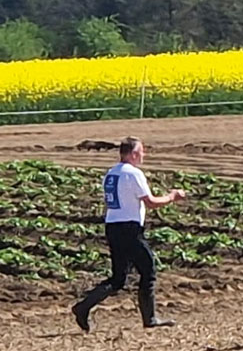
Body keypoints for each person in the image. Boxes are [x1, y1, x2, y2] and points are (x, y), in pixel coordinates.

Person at [72, 137, 187, 332]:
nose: (143, 155)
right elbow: (150, 202)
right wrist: (172, 197)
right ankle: (150, 318)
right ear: (133, 154)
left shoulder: (111, 174)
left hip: (113, 226)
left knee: (118, 278)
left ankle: (83, 307)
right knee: (148, 270)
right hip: (129, 228)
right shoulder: (133, 174)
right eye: (141, 151)